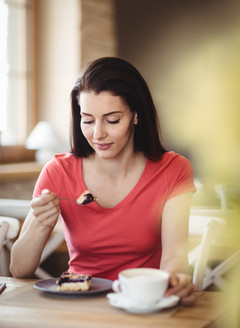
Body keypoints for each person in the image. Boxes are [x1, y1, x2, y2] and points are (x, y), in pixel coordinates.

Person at [10, 57, 196, 305]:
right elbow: (18, 269)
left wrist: (174, 282)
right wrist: (40, 224)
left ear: (136, 115)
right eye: (87, 120)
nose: (98, 134)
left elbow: (174, 257)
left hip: (141, 303)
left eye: (112, 120)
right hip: (77, 304)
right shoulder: (58, 171)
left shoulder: (173, 170)